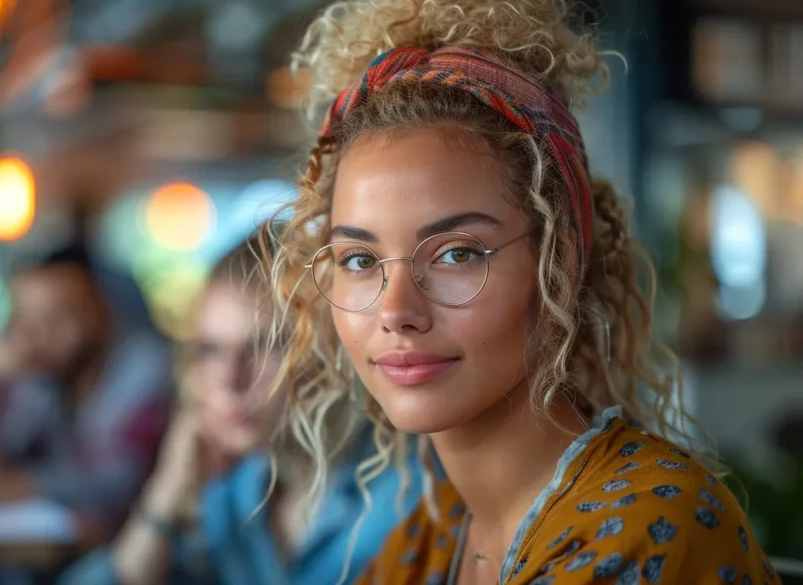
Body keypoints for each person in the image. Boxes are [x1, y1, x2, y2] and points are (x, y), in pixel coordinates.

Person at [260, 1, 785, 584]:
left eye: (458, 253)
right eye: (358, 259)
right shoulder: (432, 533)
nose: (396, 312)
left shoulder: (648, 522)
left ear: (557, 265)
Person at [57, 236, 419, 585]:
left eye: (264, 345)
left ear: (326, 351)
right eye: (211, 350)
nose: (229, 380)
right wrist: (164, 497)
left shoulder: (404, 485)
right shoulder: (233, 492)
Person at [0, 244, 172, 527]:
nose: (36, 336)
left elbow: (107, 492)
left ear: (102, 311)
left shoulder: (145, 370)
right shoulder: (41, 377)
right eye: (24, 319)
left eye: (57, 317)